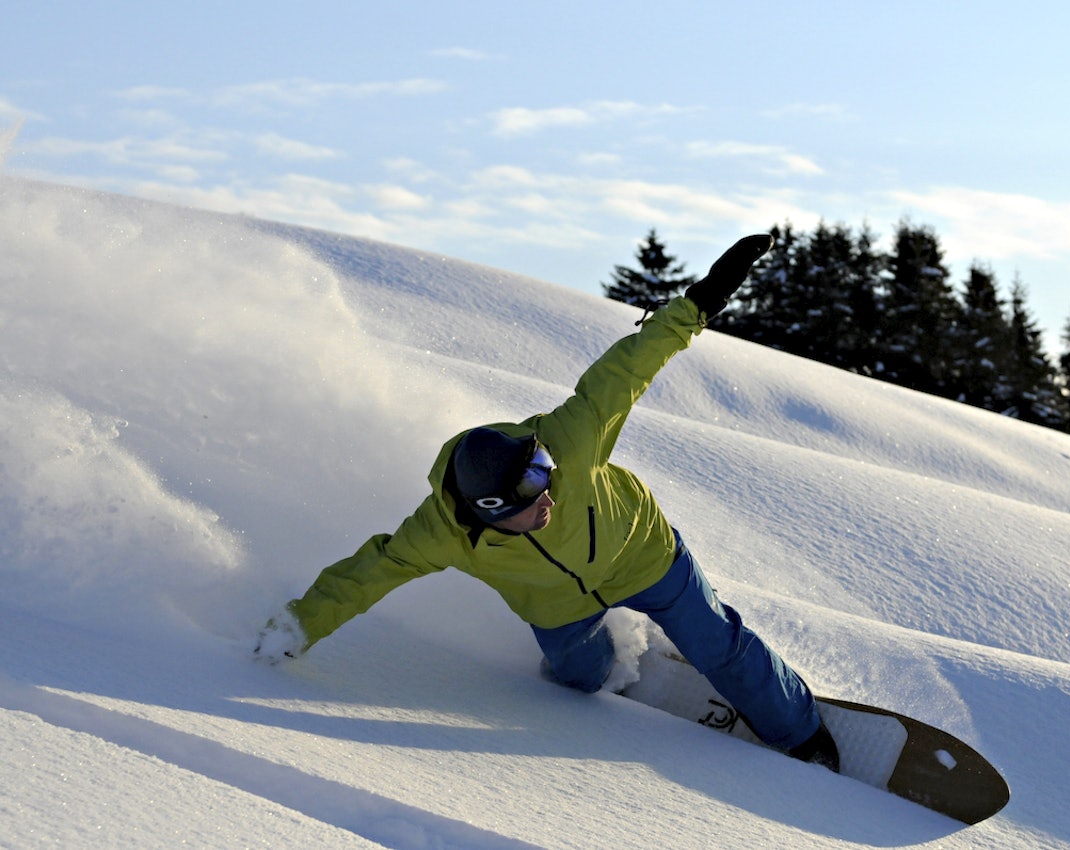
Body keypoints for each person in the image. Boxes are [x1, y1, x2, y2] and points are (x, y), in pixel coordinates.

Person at [254, 234, 839, 771]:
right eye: (530, 489)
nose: (547, 487)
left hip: (643, 554)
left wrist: (702, 299)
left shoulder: (570, 437)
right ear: (487, 511)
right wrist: (295, 629)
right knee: (577, 679)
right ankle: (609, 659)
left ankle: (799, 733)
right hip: (559, 606)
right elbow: (363, 575)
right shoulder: (439, 533)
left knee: (718, 643)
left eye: (541, 467)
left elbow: (633, 362)